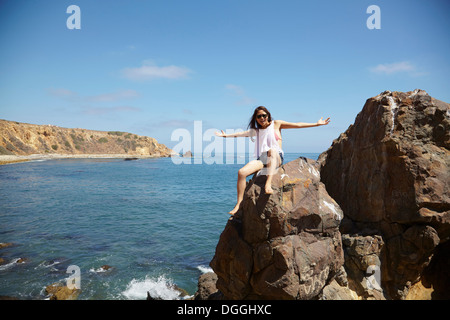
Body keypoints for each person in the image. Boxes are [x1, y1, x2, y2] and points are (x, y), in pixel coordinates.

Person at [215, 106, 330, 215]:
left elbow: (297, 125)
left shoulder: (276, 124)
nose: (262, 118)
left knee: (271, 150)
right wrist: (225, 136)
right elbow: (240, 134)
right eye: (259, 116)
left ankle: (268, 184)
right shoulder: (256, 131)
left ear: (268, 115)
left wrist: (317, 124)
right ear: (256, 119)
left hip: (276, 156)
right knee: (241, 172)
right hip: (263, 158)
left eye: (264, 115)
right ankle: (239, 204)